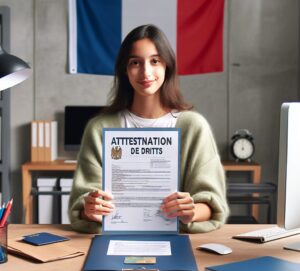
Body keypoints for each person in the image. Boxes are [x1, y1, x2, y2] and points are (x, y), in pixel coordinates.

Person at [69, 24, 229, 234]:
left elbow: (212, 203)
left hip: (179, 240)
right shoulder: (99, 128)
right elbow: (83, 204)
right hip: (112, 238)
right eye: (135, 62)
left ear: (167, 66)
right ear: (125, 70)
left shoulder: (193, 127)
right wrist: (90, 210)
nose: (146, 72)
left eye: (155, 61)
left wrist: (191, 211)